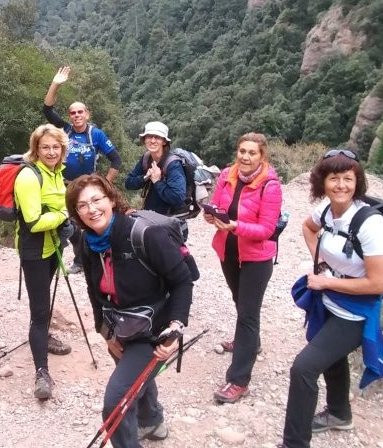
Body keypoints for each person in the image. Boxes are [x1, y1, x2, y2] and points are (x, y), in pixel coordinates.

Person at [65, 174, 193, 448]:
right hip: (119, 329)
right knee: (135, 379)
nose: (91, 209)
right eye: (82, 205)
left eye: (96, 200)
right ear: (76, 213)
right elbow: (93, 290)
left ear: (111, 199)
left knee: (116, 403)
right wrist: (105, 332)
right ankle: (152, 422)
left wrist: (175, 328)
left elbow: (182, 280)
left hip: (153, 332)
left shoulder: (144, 235)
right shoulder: (88, 241)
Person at [279, 148, 383, 448]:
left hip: (356, 312)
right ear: (323, 182)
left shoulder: (371, 224)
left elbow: (378, 283)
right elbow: (308, 227)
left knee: (303, 369)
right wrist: (319, 263)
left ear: (358, 183)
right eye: (334, 178)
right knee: (332, 357)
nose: (341, 185)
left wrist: (326, 280)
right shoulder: (327, 211)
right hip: (330, 301)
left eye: (348, 179)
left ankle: (294, 443)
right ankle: (340, 414)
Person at [202, 132, 282, 404]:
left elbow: (267, 229)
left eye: (252, 153)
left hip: (256, 257)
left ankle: (238, 381)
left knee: (248, 314)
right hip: (229, 251)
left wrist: (236, 226)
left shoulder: (270, 186)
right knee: (239, 301)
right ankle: (251, 343)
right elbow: (218, 205)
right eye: (242, 151)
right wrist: (211, 215)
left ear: (262, 156)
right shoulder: (227, 175)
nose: (245, 157)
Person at [14, 124, 74, 400]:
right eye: (45, 147)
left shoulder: (56, 172)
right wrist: (63, 217)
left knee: (44, 300)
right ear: (35, 149)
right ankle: (42, 373)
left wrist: (63, 222)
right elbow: (33, 221)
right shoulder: (29, 176)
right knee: (39, 311)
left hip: (53, 246)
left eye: (55, 147)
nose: (51, 152)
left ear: (62, 149)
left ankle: (44, 337)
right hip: (34, 250)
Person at [43, 66, 121, 274]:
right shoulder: (65, 130)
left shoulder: (96, 135)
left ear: (87, 114)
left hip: (86, 187)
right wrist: (56, 84)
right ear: (69, 116)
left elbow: (116, 160)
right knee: (68, 225)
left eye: (80, 112)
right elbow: (47, 109)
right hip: (64, 185)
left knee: (88, 223)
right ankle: (75, 261)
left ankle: (92, 259)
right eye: (73, 112)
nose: (76, 115)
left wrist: (104, 184)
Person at [125, 121, 186, 217]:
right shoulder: (146, 158)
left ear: (164, 142)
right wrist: (145, 177)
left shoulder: (173, 164)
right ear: (144, 140)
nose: (153, 141)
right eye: (149, 137)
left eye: (157, 137)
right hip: (150, 216)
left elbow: (178, 199)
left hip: (170, 219)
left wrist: (157, 182)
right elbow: (128, 183)